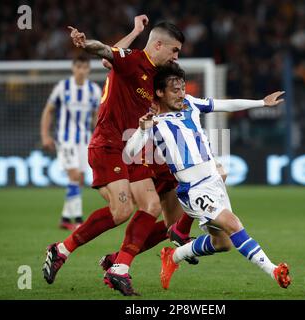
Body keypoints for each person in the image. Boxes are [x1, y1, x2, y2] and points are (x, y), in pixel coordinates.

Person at [43, 16, 193, 296]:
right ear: (158, 45)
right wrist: (87, 42)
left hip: (134, 148)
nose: (176, 56)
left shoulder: (158, 74)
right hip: (109, 144)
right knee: (122, 211)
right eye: (174, 50)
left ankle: (119, 267)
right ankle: (62, 250)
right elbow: (105, 53)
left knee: (153, 207)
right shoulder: (132, 61)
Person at [124, 63, 291, 290]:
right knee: (233, 224)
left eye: (182, 88)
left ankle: (172, 257)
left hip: (214, 182)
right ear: (160, 93)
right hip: (193, 190)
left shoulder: (191, 104)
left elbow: (224, 105)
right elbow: (128, 154)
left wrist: (262, 102)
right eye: (175, 90)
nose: (181, 94)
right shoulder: (153, 122)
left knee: (222, 243)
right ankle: (274, 271)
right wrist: (142, 130)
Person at [40, 55, 101, 231]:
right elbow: (48, 111)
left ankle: (65, 218)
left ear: (88, 69)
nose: (81, 70)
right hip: (65, 139)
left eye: (84, 67)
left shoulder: (94, 90)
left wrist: (98, 137)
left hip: (84, 139)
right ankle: (78, 220)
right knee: (74, 175)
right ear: (73, 68)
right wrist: (45, 135)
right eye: (78, 67)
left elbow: (97, 117)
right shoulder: (63, 87)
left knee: (79, 179)